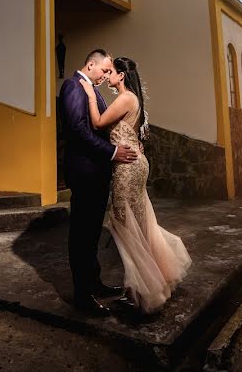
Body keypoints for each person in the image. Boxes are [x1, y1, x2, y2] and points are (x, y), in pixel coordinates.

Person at [79, 56, 191, 314]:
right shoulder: (131, 98)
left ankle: (143, 289)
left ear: (121, 75)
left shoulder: (126, 98)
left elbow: (98, 123)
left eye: (112, 72)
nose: (108, 76)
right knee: (137, 223)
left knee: (123, 223)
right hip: (133, 162)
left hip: (128, 167)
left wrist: (90, 94)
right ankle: (143, 286)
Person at [59, 49, 138, 316]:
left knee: (92, 234)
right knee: (81, 235)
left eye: (109, 72)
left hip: (98, 174)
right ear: (90, 64)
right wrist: (113, 152)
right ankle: (82, 296)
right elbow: (79, 131)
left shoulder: (93, 90)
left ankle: (94, 284)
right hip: (84, 173)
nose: (106, 75)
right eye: (104, 70)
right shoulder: (72, 86)